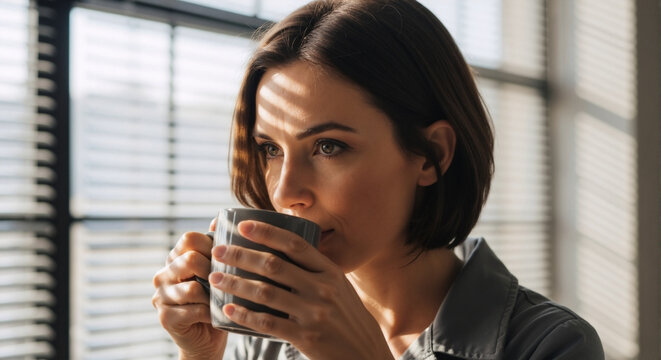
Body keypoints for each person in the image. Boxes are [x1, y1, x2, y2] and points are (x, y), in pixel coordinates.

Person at [152, 0, 604, 359]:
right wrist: (199, 355)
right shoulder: (268, 329)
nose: (285, 191)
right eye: (271, 149)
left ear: (432, 156)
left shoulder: (551, 346)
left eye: (328, 147)